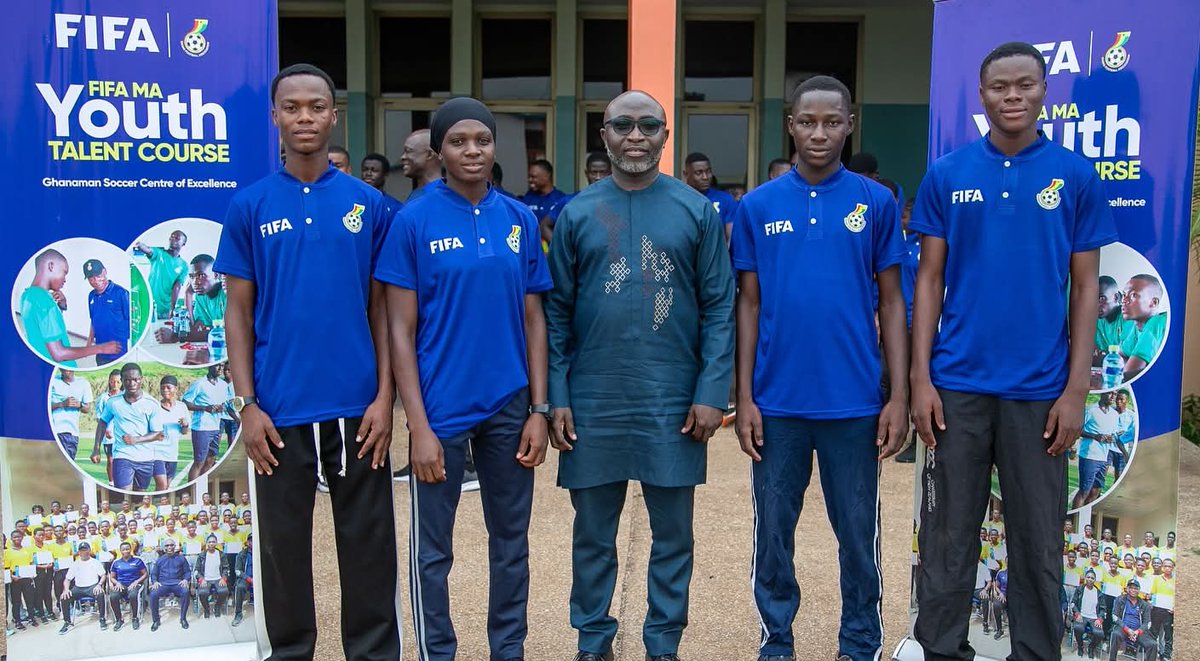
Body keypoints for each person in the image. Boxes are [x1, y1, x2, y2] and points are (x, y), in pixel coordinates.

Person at [909, 42, 1117, 661]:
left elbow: (1086, 288)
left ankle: (1034, 653)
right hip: (958, 387)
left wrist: (1076, 389)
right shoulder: (948, 173)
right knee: (949, 536)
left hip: (1041, 392)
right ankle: (944, 650)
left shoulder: (1074, 176)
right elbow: (928, 281)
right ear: (982, 95)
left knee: (1037, 541)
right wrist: (922, 379)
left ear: (1043, 91)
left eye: (1025, 85)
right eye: (1000, 87)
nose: (1013, 97)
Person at [215, 62, 400, 660]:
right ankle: (292, 652)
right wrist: (247, 405)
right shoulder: (249, 207)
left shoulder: (370, 205)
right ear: (274, 117)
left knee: (368, 548)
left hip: (356, 407)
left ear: (333, 114)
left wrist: (384, 397)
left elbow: (384, 314)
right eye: (291, 107)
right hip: (278, 409)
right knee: (283, 549)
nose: (304, 116)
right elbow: (237, 316)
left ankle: (373, 653)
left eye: (315, 106)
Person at [545, 90, 735, 661]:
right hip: (594, 397)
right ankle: (593, 640)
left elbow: (720, 306)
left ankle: (662, 644)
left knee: (673, 535)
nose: (635, 135)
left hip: (672, 397)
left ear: (664, 136)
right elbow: (554, 313)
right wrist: (556, 396)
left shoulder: (696, 210)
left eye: (648, 125)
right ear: (603, 135)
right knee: (592, 536)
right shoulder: (577, 213)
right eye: (622, 125)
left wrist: (711, 392)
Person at [731, 74, 907, 661]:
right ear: (790, 123)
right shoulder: (756, 206)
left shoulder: (876, 202)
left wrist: (898, 396)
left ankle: (859, 643)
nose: (819, 133)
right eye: (807, 121)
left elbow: (891, 300)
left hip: (854, 403)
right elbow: (748, 304)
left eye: (832, 122)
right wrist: (746, 397)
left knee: (857, 538)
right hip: (777, 407)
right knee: (773, 538)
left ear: (850, 123)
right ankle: (775, 641)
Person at [377, 95, 550, 661]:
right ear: (439, 151)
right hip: (441, 407)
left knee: (511, 544)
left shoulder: (519, 219)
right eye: (458, 141)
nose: (471, 150)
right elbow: (400, 331)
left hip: (508, 403)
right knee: (433, 550)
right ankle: (438, 652)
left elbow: (533, 318)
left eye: (481, 140)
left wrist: (538, 410)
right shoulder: (413, 221)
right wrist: (418, 428)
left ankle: (509, 650)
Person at [19, 249, 122, 365]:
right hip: (61, 368)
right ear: (51, 266)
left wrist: (61, 307)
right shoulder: (44, 302)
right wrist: (100, 348)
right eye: (64, 272)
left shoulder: (27, 295)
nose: (65, 279)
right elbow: (58, 353)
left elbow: (45, 327)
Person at [94, 363, 165, 491]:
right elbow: (103, 422)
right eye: (127, 380)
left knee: (140, 495)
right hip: (122, 455)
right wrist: (96, 448)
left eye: (135, 379)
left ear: (141, 379)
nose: (132, 383)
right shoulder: (113, 402)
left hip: (145, 458)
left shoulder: (151, 404)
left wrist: (136, 440)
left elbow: (158, 433)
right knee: (124, 494)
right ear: (122, 381)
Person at [538, 151, 612, 245]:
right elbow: (544, 226)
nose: (598, 177)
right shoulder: (570, 201)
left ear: (610, 174)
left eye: (603, 172)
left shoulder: (619, 200)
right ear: (586, 173)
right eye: (594, 172)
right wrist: (561, 250)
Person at [1074, 392, 1120, 508]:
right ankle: (1073, 520)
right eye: (1110, 393)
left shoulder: (1114, 414)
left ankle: (1085, 517)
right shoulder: (1091, 410)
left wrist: (1112, 438)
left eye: (1115, 393)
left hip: (1104, 458)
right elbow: (1076, 429)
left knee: (1095, 492)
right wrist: (1094, 436)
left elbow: (1114, 434)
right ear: (1103, 393)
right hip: (1090, 456)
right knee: (1084, 491)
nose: (1113, 396)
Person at [184, 365, 229, 481]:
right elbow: (185, 403)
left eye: (222, 366)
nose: (220, 369)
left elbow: (225, 402)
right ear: (209, 367)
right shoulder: (199, 384)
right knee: (199, 461)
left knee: (211, 459)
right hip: (202, 428)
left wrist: (222, 407)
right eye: (217, 366)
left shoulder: (223, 385)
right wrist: (205, 408)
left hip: (216, 427)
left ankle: (202, 485)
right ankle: (191, 490)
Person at [134, 230, 189, 320]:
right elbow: (148, 250)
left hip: (167, 311)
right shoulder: (159, 253)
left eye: (177, 238)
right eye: (171, 237)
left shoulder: (184, 265)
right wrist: (139, 245)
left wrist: (173, 308)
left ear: (183, 243)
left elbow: (177, 287)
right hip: (149, 307)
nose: (173, 239)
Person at [1118, 274, 1166, 379]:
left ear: (1153, 302)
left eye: (1133, 295)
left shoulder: (1157, 323)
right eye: (1124, 294)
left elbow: (1127, 374)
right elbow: (1119, 358)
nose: (1124, 300)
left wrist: (1128, 368)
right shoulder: (1137, 326)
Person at [83, 258, 130, 365]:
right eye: (91, 278)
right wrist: (89, 344)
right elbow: (93, 320)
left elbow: (130, 322)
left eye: (98, 276)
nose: (95, 281)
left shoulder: (121, 293)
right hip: (100, 351)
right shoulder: (91, 296)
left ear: (105, 271)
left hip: (119, 352)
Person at [683, 152, 739, 237]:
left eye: (708, 172)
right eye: (699, 173)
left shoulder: (726, 200)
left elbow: (731, 238)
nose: (705, 177)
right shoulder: (679, 200)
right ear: (686, 174)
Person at [57, 542, 107, 633]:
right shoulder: (75, 563)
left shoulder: (95, 562)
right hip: (78, 588)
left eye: (85, 549)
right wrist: (66, 589)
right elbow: (67, 579)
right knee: (64, 597)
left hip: (92, 587)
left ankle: (102, 618)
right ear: (79, 552)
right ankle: (67, 622)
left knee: (100, 594)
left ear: (89, 550)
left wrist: (99, 585)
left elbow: (103, 575)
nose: (83, 552)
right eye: (81, 550)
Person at [148, 539, 191, 631]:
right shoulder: (160, 560)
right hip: (163, 584)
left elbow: (187, 572)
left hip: (177, 583)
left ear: (175, 547)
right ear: (164, 548)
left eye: (171, 545)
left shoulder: (181, 558)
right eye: (167, 546)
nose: (169, 547)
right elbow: (154, 573)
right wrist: (155, 581)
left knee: (186, 591)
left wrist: (185, 580)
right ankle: (156, 620)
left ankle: (183, 618)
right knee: (153, 594)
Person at [50, 369, 93, 459]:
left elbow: (87, 408)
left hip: (72, 433)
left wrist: (79, 405)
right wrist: (61, 404)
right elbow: (43, 406)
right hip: (54, 431)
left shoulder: (83, 383)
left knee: (67, 468)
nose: (66, 370)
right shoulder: (52, 381)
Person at [154, 375, 189, 487]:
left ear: (176, 388)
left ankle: (156, 504)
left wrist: (185, 424)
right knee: (162, 485)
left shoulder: (182, 407)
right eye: (162, 388)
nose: (165, 390)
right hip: (157, 453)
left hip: (172, 454)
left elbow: (184, 432)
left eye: (168, 387)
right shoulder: (155, 407)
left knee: (166, 487)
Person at [1110, 579, 1157, 660]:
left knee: (1153, 644)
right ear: (1127, 589)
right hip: (1123, 629)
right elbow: (1115, 616)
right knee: (1116, 634)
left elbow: (1148, 623)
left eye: (1135, 588)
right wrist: (1127, 630)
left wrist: (1137, 632)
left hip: (1138, 632)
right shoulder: (1120, 599)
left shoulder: (1144, 604)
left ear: (1139, 590)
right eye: (1131, 588)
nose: (1133, 590)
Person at [107, 541, 147, 631]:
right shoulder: (116, 562)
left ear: (131, 549)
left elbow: (145, 574)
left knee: (133, 595)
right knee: (113, 596)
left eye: (127, 549)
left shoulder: (138, 560)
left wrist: (136, 582)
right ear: (120, 551)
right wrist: (117, 583)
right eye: (123, 549)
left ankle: (135, 618)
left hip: (135, 584)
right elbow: (112, 577)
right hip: (121, 585)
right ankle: (119, 619)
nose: (126, 551)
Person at [520, 158, 568, 228]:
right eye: (529, 176)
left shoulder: (560, 199)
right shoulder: (528, 197)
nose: (530, 180)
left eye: (533, 177)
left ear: (547, 176)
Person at [399, 129, 441, 202]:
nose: (403, 157)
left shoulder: (441, 195)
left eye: (408, 151)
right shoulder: (418, 193)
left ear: (429, 154)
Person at [194, 535, 231, 618]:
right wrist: (201, 579)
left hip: (218, 579)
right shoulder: (202, 555)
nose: (211, 544)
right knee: (202, 592)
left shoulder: (222, 555)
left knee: (224, 591)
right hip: (206, 579)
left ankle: (217, 607)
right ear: (207, 543)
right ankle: (206, 609)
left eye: (213, 542)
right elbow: (197, 570)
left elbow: (226, 568)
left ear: (216, 543)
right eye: (209, 542)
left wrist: (223, 578)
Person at [1070, 570, 1104, 658]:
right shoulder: (1079, 589)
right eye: (1088, 577)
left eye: (1092, 578)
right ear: (1085, 578)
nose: (1090, 579)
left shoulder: (1099, 593)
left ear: (1095, 580)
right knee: (1078, 628)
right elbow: (1073, 603)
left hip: (1094, 618)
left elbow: (1103, 609)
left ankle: (1091, 647)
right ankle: (1080, 646)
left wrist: (1099, 619)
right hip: (1082, 616)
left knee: (1099, 634)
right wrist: (1077, 614)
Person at [361, 151, 404, 216]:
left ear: (385, 174)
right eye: (365, 169)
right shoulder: (353, 201)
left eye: (374, 170)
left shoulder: (395, 208)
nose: (368, 174)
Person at [1150, 558, 1174, 660]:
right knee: (1154, 633)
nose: (1167, 568)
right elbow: (1153, 594)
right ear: (1162, 567)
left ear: (1173, 568)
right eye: (1166, 566)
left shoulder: (1176, 580)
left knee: (1168, 635)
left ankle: (1166, 656)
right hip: (1157, 610)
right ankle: (1151, 653)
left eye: (1170, 566)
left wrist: (1174, 608)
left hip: (1169, 612)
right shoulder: (1157, 579)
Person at [232, 532, 254, 627]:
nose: (253, 542)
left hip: (259, 578)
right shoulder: (242, 554)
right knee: (240, 587)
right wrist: (248, 578)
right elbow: (238, 570)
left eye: (254, 540)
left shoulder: (262, 551)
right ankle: (238, 614)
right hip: (246, 578)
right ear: (248, 542)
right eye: (251, 540)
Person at [979, 567, 1007, 640]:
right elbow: (997, 586)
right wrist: (1000, 593)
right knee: (996, 605)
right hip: (1003, 595)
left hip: (1015, 597)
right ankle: (999, 629)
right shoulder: (1001, 573)